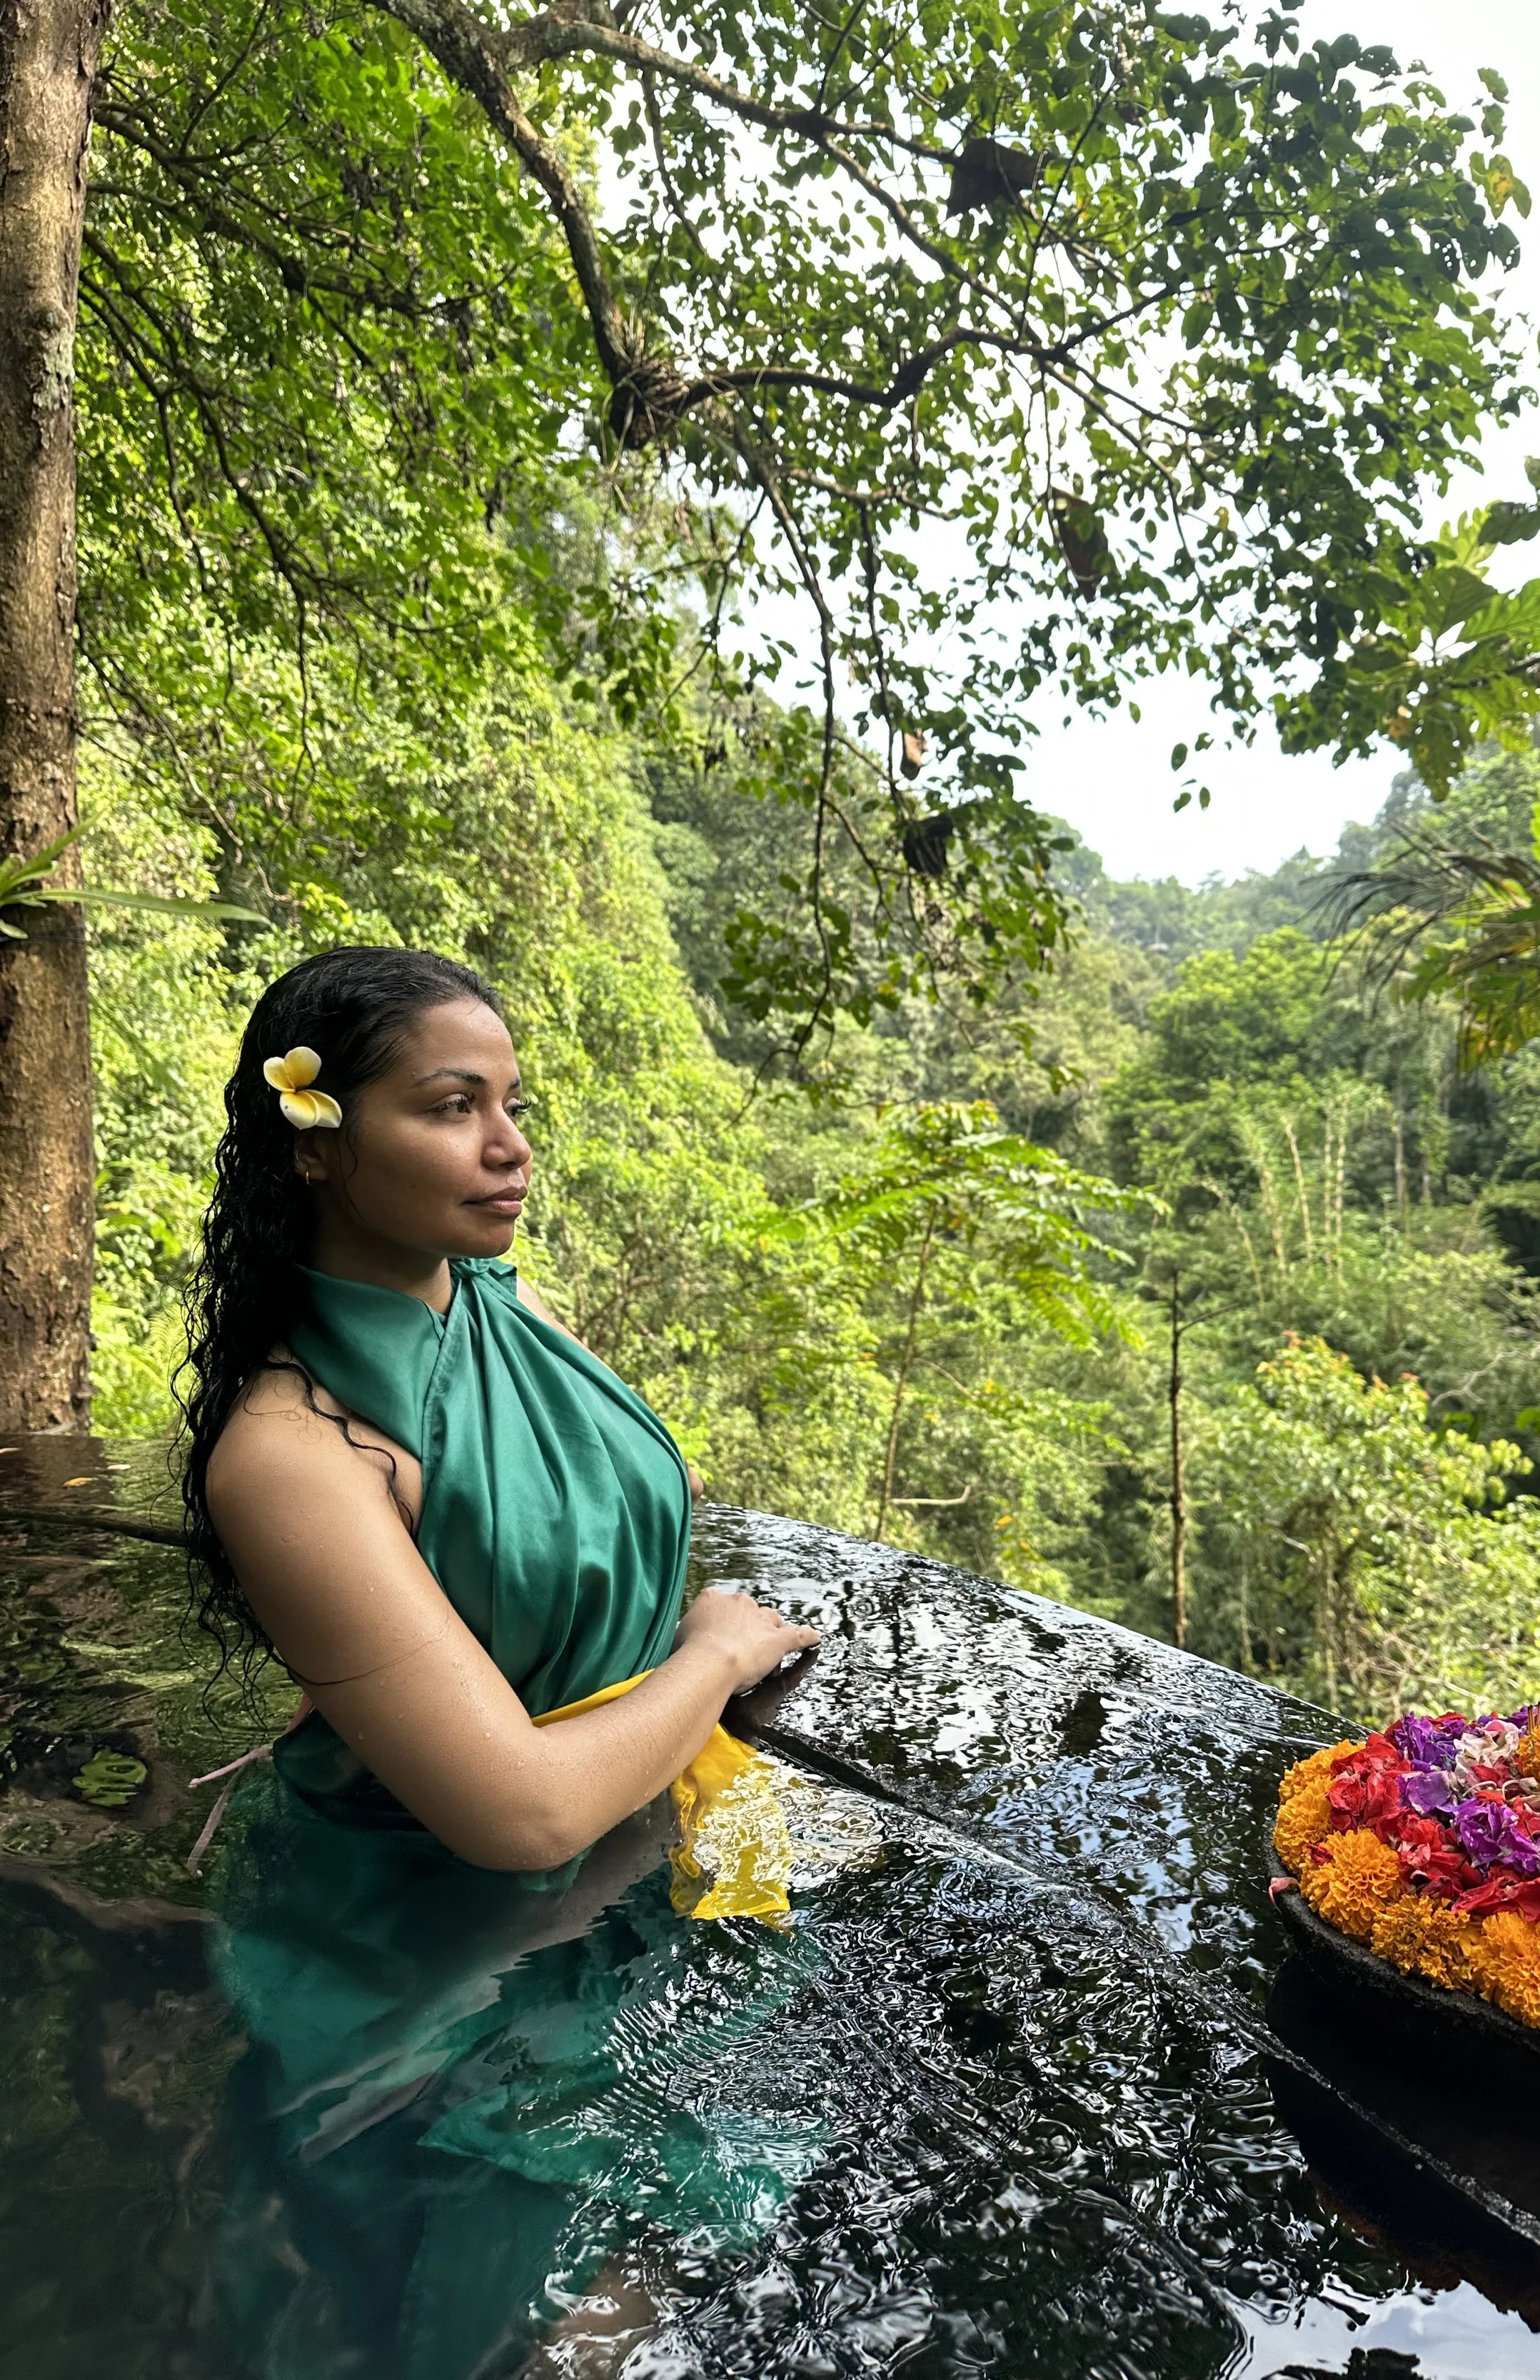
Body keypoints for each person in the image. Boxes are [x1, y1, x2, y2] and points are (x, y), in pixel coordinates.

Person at [179, 946, 826, 2379]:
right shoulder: (295, 1453)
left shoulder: (503, 1308)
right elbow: (516, 1811)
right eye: (451, 1104)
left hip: (626, 1864)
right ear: (320, 1146)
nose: (509, 1144)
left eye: (513, 1102)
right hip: (417, 1938)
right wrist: (712, 1654)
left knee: (639, 2266)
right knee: (463, 2327)